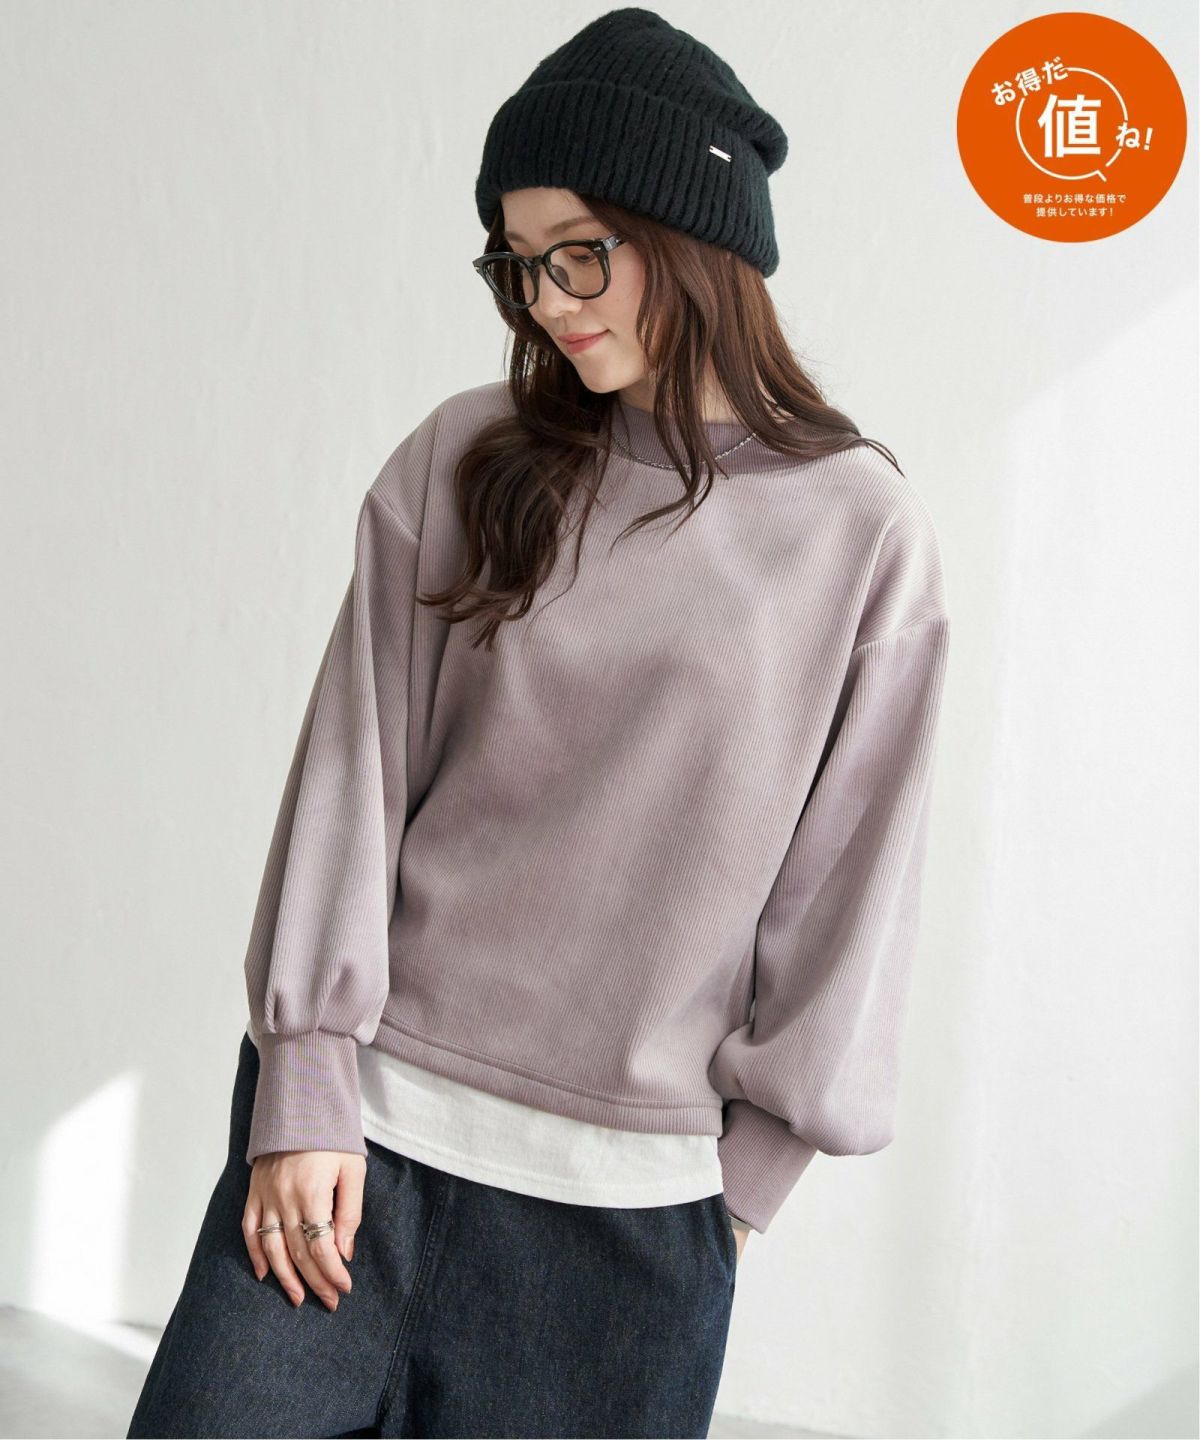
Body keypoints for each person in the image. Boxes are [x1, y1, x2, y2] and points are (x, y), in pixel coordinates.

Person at [127, 7, 951, 1438]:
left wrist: (739, 1195)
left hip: (620, 1233)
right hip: (353, 1158)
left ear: (697, 238)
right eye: (518, 260)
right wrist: (306, 1082)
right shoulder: (467, 459)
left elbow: (848, 893)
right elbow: (353, 775)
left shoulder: (858, 533)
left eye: (581, 251)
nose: (550, 299)